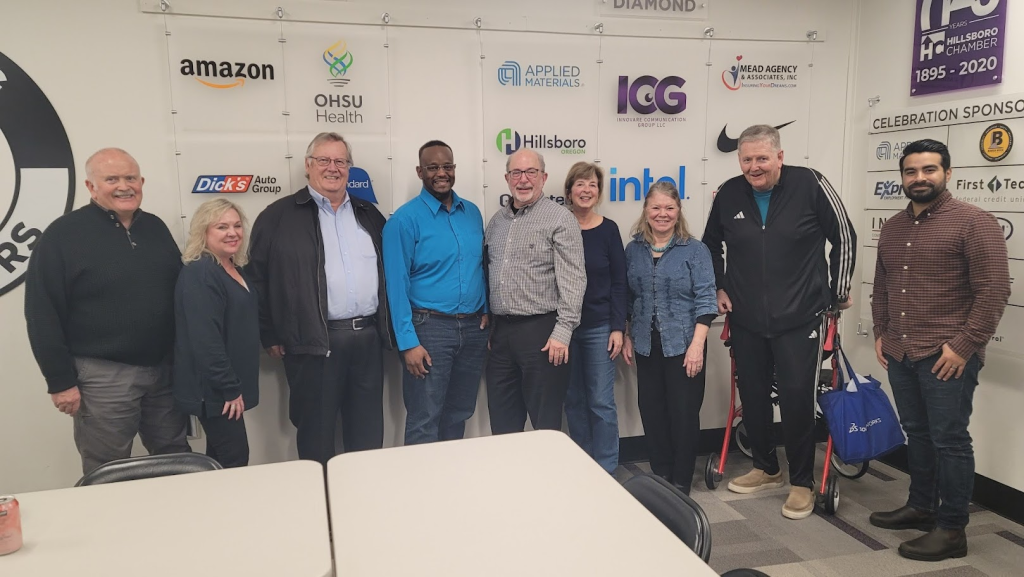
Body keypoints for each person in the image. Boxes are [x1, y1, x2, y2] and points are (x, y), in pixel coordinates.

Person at [703, 124, 856, 519]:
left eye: (762, 158)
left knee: (795, 399)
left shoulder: (810, 184)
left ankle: (801, 483)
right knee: (752, 395)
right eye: (747, 159)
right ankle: (765, 468)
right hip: (748, 317)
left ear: (780, 156)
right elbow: (709, 245)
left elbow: (844, 234)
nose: (754, 167)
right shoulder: (729, 193)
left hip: (800, 315)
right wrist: (719, 287)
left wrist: (838, 291)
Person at [869, 139, 1010, 561]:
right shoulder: (893, 226)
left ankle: (952, 530)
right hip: (901, 351)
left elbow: (994, 291)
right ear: (902, 178)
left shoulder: (974, 222)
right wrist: (881, 331)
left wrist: (964, 346)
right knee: (917, 433)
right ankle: (921, 507)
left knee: (950, 440)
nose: (919, 178)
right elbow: (882, 286)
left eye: (929, 170)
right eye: (911, 171)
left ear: (948, 173)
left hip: (946, 355)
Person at [25, 147, 190, 475]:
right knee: (108, 469)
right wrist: (59, 381)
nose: (124, 186)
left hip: (164, 373)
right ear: (91, 187)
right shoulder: (62, 235)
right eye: (111, 179)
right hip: (102, 377)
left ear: (141, 181)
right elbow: (42, 312)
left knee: (176, 459)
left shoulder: (155, 228)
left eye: (130, 178)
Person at [248, 132, 392, 465]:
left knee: (368, 435)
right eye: (324, 160)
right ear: (308, 165)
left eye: (340, 161)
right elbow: (258, 278)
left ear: (349, 167)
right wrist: (269, 334)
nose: (333, 168)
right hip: (313, 343)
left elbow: (391, 274)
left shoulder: (369, 214)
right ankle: (321, 506)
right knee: (317, 435)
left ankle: (365, 504)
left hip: (367, 339)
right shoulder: (278, 216)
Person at [383, 140, 488, 445]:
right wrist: (407, 343)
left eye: (447, 166)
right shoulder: (403, 221)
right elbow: (396, 286)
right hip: (429, 330)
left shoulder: (472, 214)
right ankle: (420, 489)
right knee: (424, 417)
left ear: (454, 169)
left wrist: (485, 309)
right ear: (420, 171)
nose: (441, 173)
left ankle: (450, 483)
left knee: (460, 413)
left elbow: (479, 266)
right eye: (433, 167)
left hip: (472, 330)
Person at [622, 181, 717, 494]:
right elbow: (628, 296)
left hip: (685, 346)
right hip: (647, 346)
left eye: (669, 208)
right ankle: (661, 476)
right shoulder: (634, 249)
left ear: (678, 211)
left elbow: (706, 299)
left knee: (683, 416)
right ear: (646, 211)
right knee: (652, 413)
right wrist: (626, 334)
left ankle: (681, 482)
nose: (662, 214)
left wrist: (697, 346)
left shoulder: (695, 249)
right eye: (656, 207)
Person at [484, 148, 586, 433]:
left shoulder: (560, 219)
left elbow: (574, 279)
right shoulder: (496, 223)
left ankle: (546, 478)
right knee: (502, 424)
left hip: (543, 335)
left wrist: (563, 331)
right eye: (516, 173)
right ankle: (510, 478)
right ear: (507, 178)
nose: (524, 179)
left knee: (545, 425)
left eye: (531, 172)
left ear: (544, 177)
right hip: (501, 335)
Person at [173, 199, 259, 468]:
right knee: (234, 459)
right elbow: (205, 339)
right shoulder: (201, 273)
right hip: (216, 391)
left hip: (228, 387)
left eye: (236, 225)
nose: (232, 232)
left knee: (218, 461)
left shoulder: (233, 267)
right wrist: (230, 388)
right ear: (204, 232)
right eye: (222, 226)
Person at [563, 161, 626, 473]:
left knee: (601, 403)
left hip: (599, 328)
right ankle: (583, 468)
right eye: (580, 184)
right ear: (569, 190)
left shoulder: (609, 230)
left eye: (592, 185)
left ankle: (607, 470)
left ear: (599, 192)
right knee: (573, 400)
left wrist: (618, 327)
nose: (586, 190)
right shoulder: (558, 226)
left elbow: (619, 282)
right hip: (563, 328)